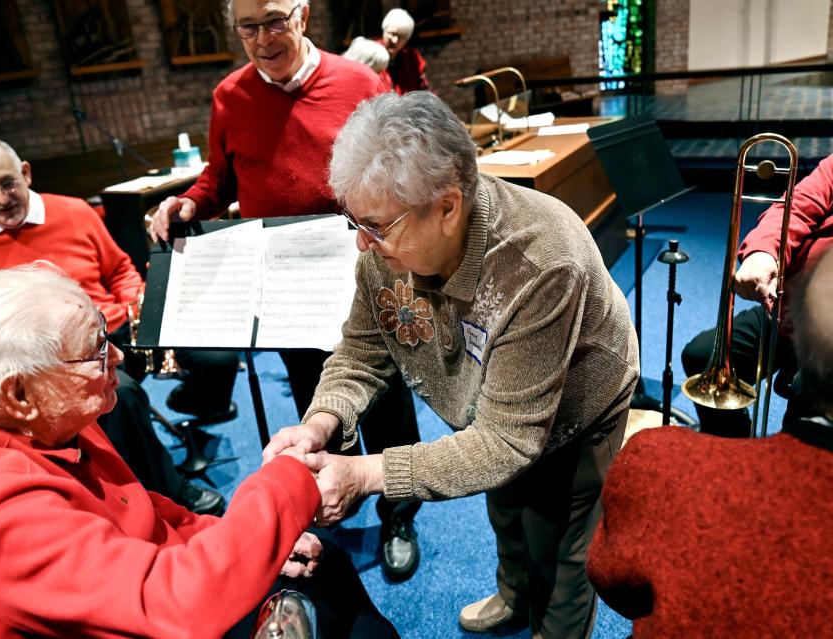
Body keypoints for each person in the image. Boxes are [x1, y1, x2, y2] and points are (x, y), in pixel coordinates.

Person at [263, 91, 639, 636]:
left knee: (561, 552)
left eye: (375, 227)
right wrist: (323, 421)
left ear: (447, 206)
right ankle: (514, 597)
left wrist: (368, 473)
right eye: (354, 222)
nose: (363, 245)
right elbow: (363, 349)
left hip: (578, 411)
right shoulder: (388, 238)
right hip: (490, 409)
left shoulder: (541, 258)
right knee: (506, 511)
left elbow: (507, 443)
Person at [0, 265, 398, 639]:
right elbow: (177, 609)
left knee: (321, 564)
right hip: (157, 611)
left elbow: (140, 511)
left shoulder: (47, 425)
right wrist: (288, 481)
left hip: (141, 598)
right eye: (95, 348)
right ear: (17, 394)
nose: (119, 355)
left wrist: (236, 535)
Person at [150, 0, 425, 580]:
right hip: (284, 279)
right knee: (314, 390)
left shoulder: (358, 81)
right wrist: (189, 203)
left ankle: (399, 509)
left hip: (364, 267)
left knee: (386, 393)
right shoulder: (231, 96)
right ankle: (335, 489)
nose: (261, 37)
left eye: (274, 20)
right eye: (247, 27)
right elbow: (218, 178)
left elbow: (406, 163)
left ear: (302, 14)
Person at [0, 138, 229, 515]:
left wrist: (136, 306)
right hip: (50, 360)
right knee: (122, 396)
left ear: (26, 173)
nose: (1, 199)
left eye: (8, 183)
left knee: (216, 355)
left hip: (113, 328)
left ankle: (190, 402)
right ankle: (167, 494)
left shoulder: (74, 211)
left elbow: (120, 270)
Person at [587, 248, 833, 637]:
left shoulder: (654, 462)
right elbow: (801, 200)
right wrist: (764, 250)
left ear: (799, 339)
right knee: (701, 353)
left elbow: (612, 578)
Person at [681, 154, 833, 437]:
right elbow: (796, 207)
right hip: (785, 307)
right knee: (701, 356)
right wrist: (763, 252)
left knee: (807, 400)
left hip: (827, 329)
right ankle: (735, 455)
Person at [380, 8, 431, 95]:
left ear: (407, 40)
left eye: (401, 36)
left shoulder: (413, 58)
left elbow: (423, 91)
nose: (395, 40)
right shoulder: (369, 53)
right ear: (384, 31)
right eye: (392, 33)